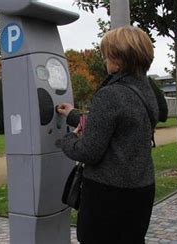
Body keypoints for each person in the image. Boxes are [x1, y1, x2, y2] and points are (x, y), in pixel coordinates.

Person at [57, 26, 159, 244]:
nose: (104, 60)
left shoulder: (111, 94)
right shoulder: (146, 91)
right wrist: (74, 115)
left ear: (119, 59)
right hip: (141, 190)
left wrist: (67, 140)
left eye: (107, 55)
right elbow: (121, 127)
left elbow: (89, 151)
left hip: (108, 196)